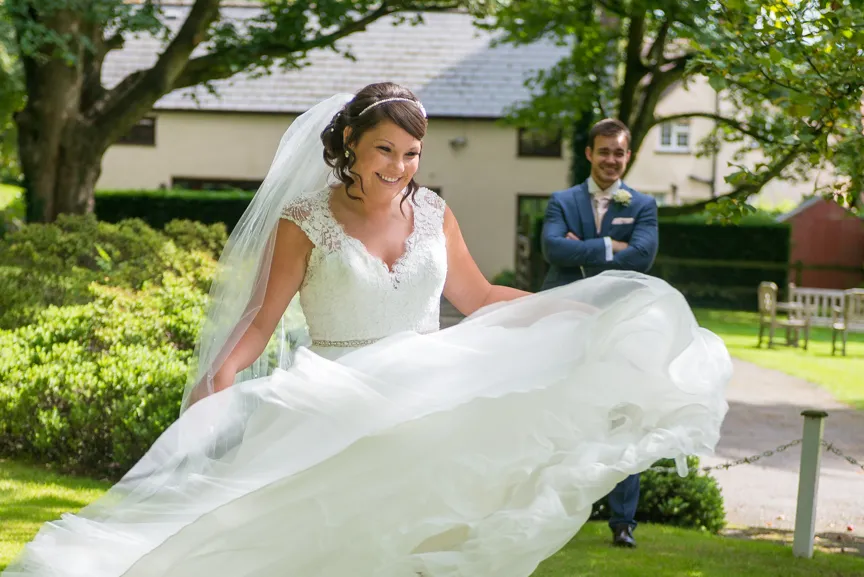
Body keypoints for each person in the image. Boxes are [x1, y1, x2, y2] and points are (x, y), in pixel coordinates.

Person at [3, 83, 731, 577]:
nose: (399, 167)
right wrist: (220, 377)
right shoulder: (305, 220)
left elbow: (477, 296)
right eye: (386, 150)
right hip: (334, 396)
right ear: (351, 141)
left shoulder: (435, 210)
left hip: (427, 393)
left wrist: (566, 309)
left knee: (422, 542)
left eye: (411, 154)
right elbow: (262, 318)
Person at [540, 118, 659, 548]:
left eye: (619, 152)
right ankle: (551, 509)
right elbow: (554, 249)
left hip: (619, 324)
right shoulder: (561, 200)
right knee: (557, 412)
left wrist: (584, 251)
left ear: (627, 156)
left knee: (622, 415)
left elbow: (643, 257)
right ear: (589, 153)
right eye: (604, 151)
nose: (611, 159)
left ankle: (622, 522)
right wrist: (613, 248)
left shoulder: (642, 206)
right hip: (563, 321)